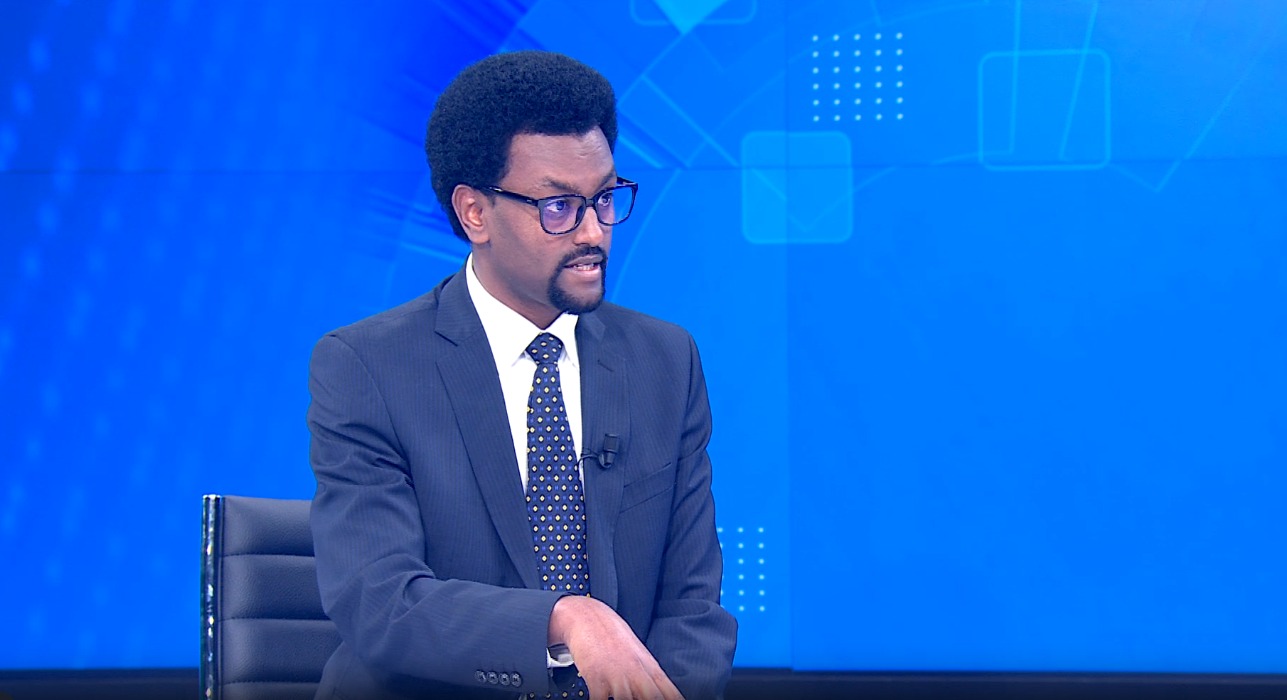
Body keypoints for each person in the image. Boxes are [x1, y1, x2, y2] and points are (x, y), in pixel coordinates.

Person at [306, 50, 737, 700]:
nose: (593, 232)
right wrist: (561, 619)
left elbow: (693, 608)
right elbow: (380, 601)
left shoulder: (664, 361)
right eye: (559, 206)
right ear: (474, 213)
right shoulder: (368, 366)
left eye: (604, 198)